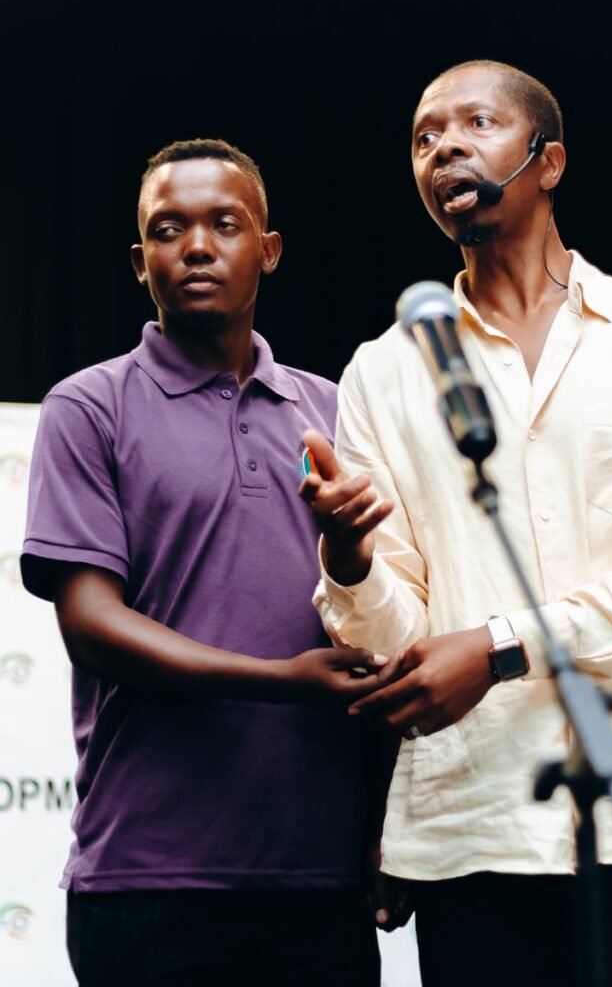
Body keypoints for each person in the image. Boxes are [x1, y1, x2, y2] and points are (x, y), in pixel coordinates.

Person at [299, 61, 612, 986]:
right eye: (425, 136)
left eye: (476, 123)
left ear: (547, 162)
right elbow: (398, 640)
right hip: (481, 830)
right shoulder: (382, 374)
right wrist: (350, 561)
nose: (445, 148)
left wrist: (508, 643)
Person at [21, 138, 390, 986]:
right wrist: (284, 679)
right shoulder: (89, 406)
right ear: (138, 259)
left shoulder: (335, 411)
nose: (194, 246)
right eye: (167, 228)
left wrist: (385, 828)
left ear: (269, 251)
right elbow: (92, 626)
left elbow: (378, 624)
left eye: (224, 224)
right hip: (149, 879)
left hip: (319, 881)